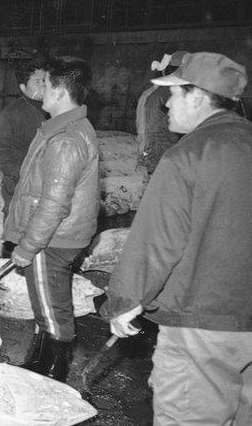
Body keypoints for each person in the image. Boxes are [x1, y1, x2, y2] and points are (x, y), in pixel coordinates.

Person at [101, 52, 252, 425]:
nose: (165, 103)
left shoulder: (187, 156)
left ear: (198, 96)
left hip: (201, 323)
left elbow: (156, 242)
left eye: (174, 94)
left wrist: (123, 302)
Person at [2, 58, 99, 381]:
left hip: (52, 239)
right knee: (47, 305)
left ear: (58, 91)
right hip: (56, 236)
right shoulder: (62, 129)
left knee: (53, 311)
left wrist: (28, 246)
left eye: (45, 83)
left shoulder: (66, 139)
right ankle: (39, 363)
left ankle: (54, 376)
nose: (39, 90)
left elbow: (54, 203)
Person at [0, 58, 49, 219]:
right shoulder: (12, 113)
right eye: (37, 81)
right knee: (18, 226)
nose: (43, 85)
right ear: (23, 87)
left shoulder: (52, 110)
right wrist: (21, 172)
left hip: (47, 184)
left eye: (45, 80)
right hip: (21, 185)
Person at [135, 50, 185, 178]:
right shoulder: (153, 97)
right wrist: (144, 160)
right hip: (160, 162)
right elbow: (144, 132)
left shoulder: (183, 95)